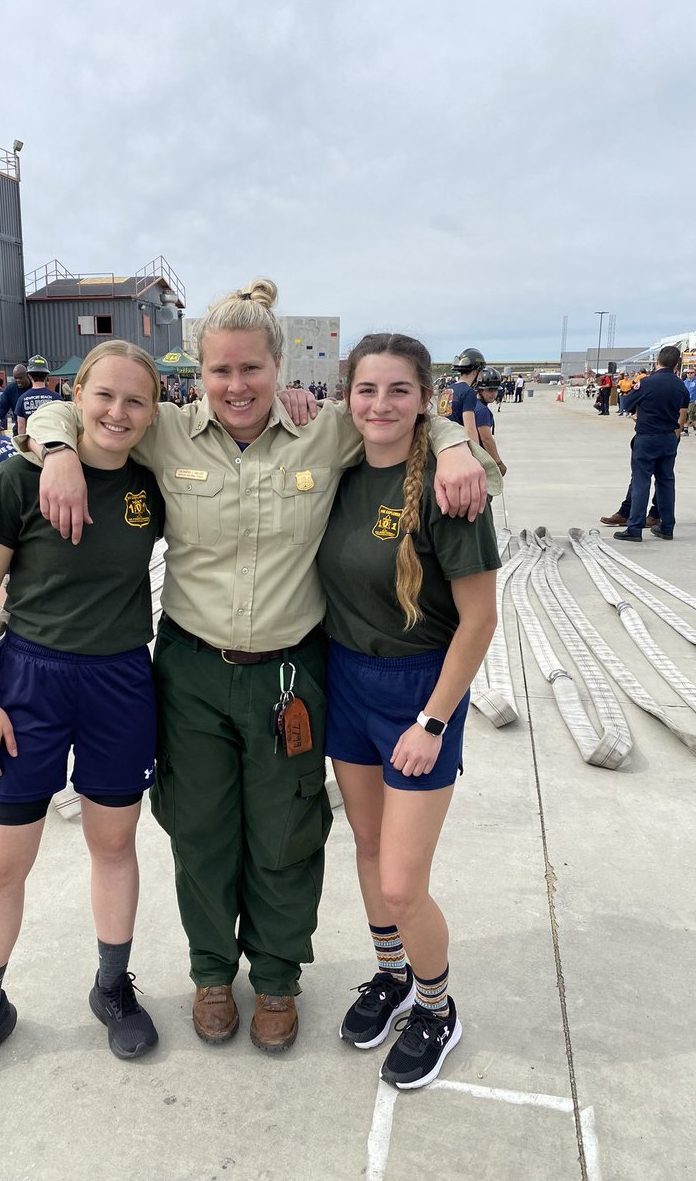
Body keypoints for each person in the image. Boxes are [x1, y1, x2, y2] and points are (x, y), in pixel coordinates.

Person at [22, 279, 499, 1053]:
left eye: (251, 369)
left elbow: (402, 412)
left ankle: (277, 978)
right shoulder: (165, 432)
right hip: (192, 670)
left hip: (290, 673)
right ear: (199, 373)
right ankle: (213, 973)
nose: (236, 385)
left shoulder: (327, 430)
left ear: (280, 368)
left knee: (286, 831)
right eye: (220, 370)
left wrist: (452, 445)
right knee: (200, 830)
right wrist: (56, 456)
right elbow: (70, 413)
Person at [0, 341, 164, 1097]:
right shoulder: (22, 478)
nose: (118, 412)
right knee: (1, 863)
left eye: (136, 400)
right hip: (30, 679)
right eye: (104, 395)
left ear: (154, 413)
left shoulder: (154, 482)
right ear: (76, 395)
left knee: (113, 845)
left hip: (121, 678)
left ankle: (111, 986)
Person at [317, 332, 499, 1089]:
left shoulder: (451, 490)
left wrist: (432, 721)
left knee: (401, 882)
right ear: (347, 396)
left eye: (399, 390)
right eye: (367, 389)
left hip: (419, 693)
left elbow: (480, 620)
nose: (381, 404)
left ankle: (435, 1007)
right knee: (367, 848)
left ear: (426, 398)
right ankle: (392, 976)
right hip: (347, 682)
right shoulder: (337, 470)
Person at [613, 345, 688, 542]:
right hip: (669, 438)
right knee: (666, 482)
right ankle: (667, 526)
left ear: (657, 361)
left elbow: (626, 404)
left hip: (647, 437)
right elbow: (683, 412)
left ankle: (635, 528)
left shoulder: (646, 383)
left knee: (641, 481)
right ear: (676, 364)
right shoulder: (681, 386)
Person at [14, 355, 60, 435]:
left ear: (29, 376)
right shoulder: (57, 398)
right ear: (46, 376)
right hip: (52, 440)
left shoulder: (22, 399)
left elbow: (21, 427)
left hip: (32, 441)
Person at [473, 369, 507, 476]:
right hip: (480, 459)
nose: (493, 394)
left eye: (495, 390)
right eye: (489, 390)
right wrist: (498, 462)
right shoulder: (482, 410)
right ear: (481, 390)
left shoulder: (471, 404)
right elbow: (486, 438)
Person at [447, 349, 485, 445]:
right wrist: (476, 451)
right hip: (458, 444)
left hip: (443, 442)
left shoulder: (447, 390)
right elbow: (470, 429)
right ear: (476, 371)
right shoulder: (468, 392)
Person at [0, 363, 31, 430]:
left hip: (35, 426)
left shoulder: (34, 386)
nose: (18, 380)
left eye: (20, 378)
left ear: (27, 375)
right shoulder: (10, 389)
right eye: (16, 378)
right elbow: (2, 406)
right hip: (19, 426)